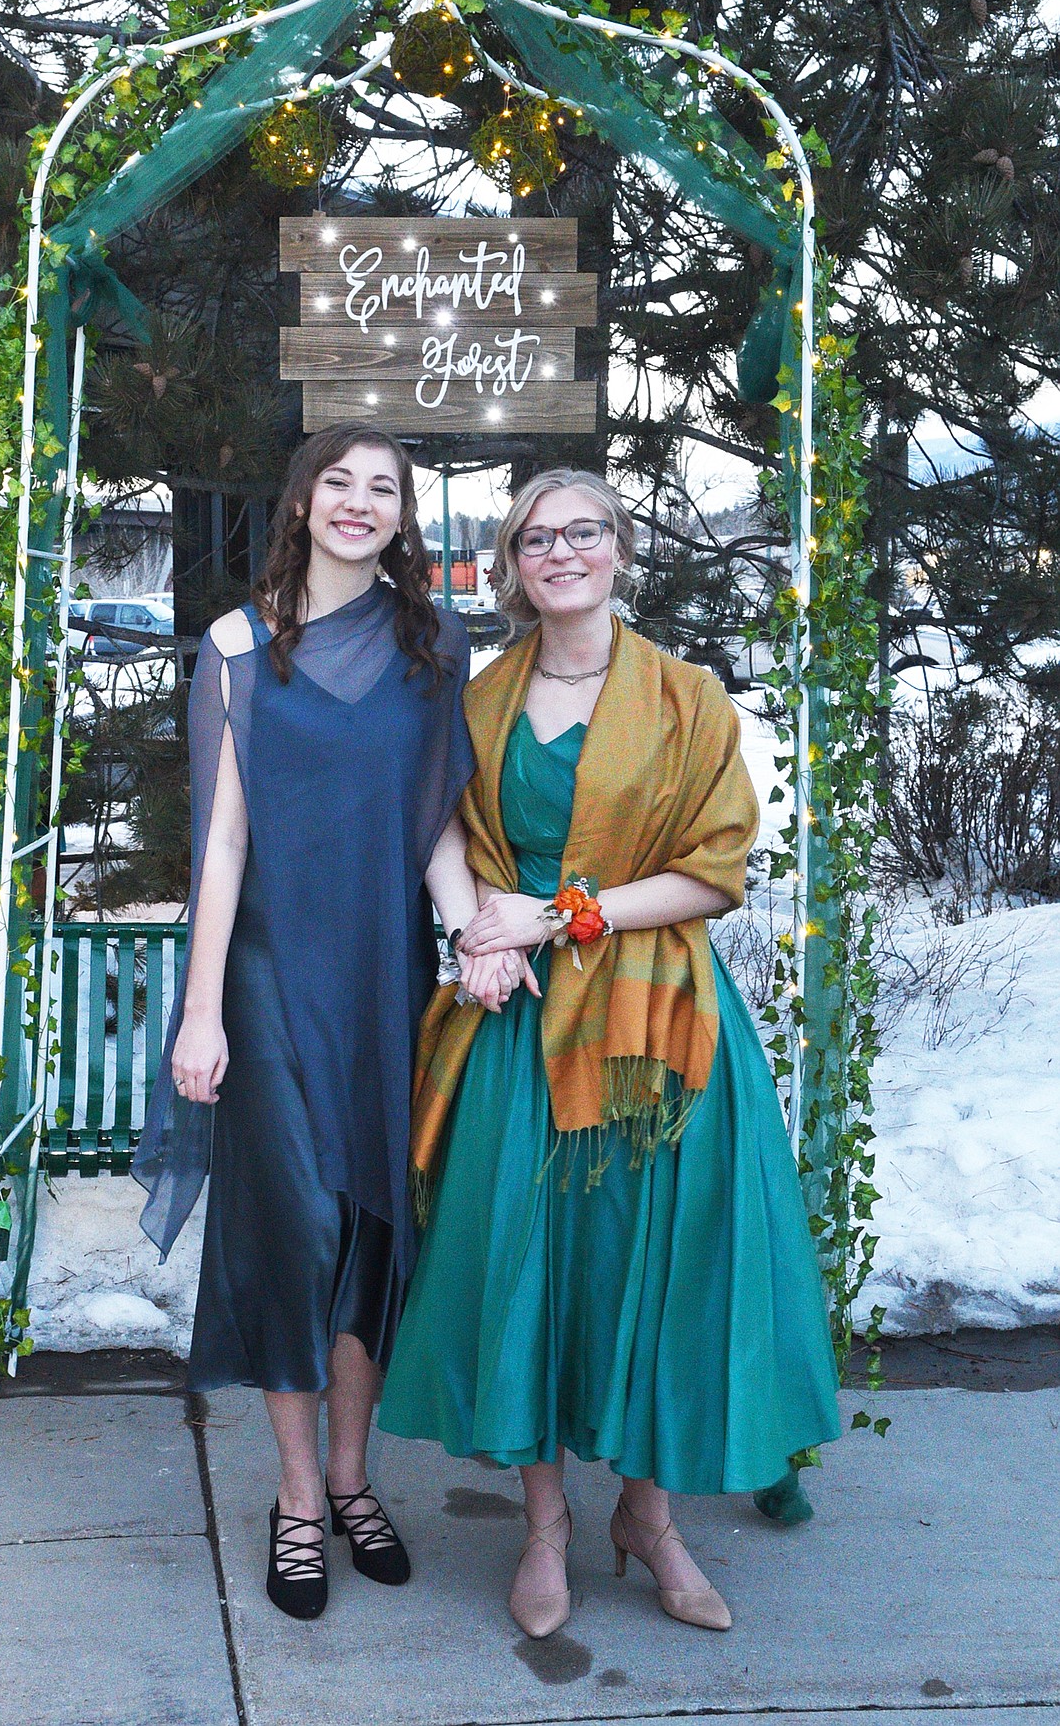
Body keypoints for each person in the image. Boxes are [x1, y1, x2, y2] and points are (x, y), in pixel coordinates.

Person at [379, 468, 842, 1639]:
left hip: (658, 1027)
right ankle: (544, 1527)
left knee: (656, 1274)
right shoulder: (480, 701)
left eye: (584, 531)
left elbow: (712, 873)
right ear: (513, 565)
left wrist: (559, 915)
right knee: (528, 1267)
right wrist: (481, 930)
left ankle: (649, 1517)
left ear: (621, 550)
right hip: (521, 1020)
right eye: (537, 538)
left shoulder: (689, 700)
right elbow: (441, 824)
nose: (562, 552)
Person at [133, 423, 508, 1621]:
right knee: (292, 1234)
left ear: (404, 516)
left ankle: (354, 1481)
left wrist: (475, 932)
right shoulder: (238, 644)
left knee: (371, 1235)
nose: (358, 503)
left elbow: (434, 822)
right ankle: (299, 1498)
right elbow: (223, 844)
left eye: (383, 489)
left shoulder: (431, 639)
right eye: (338, 483)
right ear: (300, 502)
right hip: (265, 981)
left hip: (384, 974)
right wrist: (200, 1018)